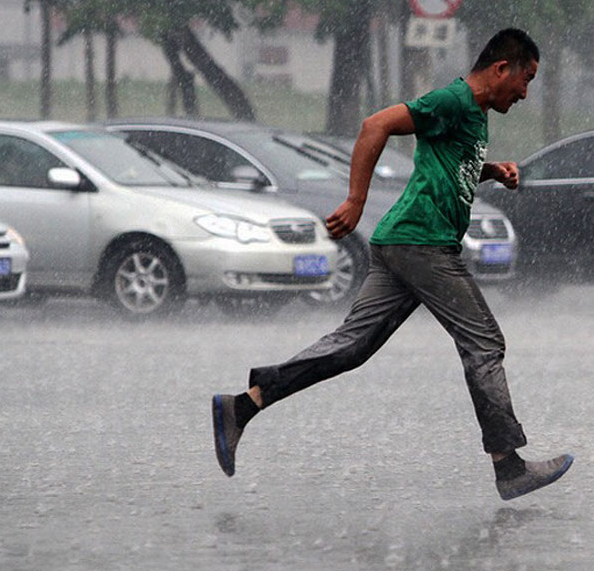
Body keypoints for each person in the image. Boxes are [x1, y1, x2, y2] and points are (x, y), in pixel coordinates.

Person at [212, 27, 573, 501]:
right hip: (421, 244)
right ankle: (509, 466)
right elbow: (374, 125)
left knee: (352, 346)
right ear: (501, 68)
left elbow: (452, 160)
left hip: (401, 244)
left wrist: (490, 170)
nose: (526, 93)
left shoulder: (474, 115)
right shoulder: (453, 100)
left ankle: (242, 407)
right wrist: (357, 200)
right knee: (484, 341)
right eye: (525, 79)